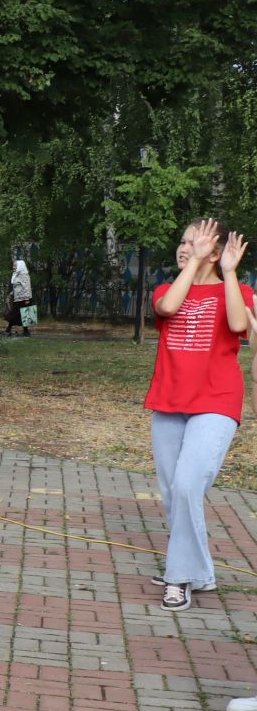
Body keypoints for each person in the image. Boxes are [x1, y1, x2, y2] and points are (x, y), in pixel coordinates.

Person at [145, 219, 252, 613]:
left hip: (217, 402)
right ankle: (201, 572)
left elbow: (239, 326)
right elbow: (168, 307)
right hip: (170, 400)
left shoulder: (236, 290)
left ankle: (179, 578)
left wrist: (226, 270)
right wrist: (195, 263)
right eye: (183, 241)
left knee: (190, 485)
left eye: (196, 241)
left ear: (216, 249)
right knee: (175, 492)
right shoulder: (166, 289)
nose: (184, 247)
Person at [5, 258, 34, 336]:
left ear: (20, 266)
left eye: (15, 266)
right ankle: (26, 332)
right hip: (18, 299)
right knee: (21, 316)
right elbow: (17, 287)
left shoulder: (24, 274)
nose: (13, 267)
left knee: (17, 315)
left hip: (24, 299)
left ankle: (8, 331)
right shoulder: (17, 274)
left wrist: (27, 299)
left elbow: (27, 287)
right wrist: (11, 294)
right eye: (13, 266)